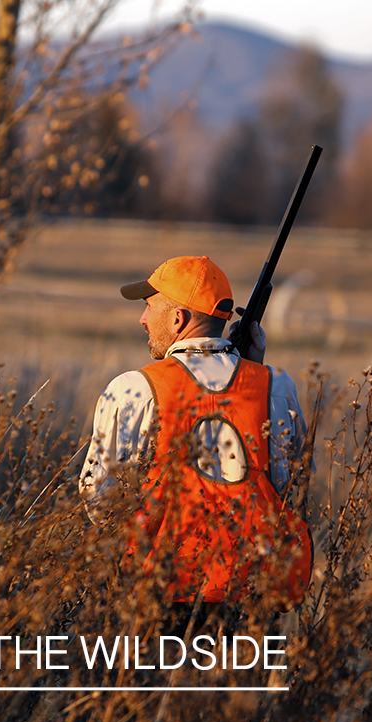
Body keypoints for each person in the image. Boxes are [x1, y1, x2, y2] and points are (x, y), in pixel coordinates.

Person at [79, 255, 312, 624]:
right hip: (251, 599)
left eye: (149, 307)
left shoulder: (134, 389)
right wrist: (252, 366)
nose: (142, 319)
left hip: (157, 595)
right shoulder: (276, 388)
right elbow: (292, 490)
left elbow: (101, 502)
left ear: (177, 319)